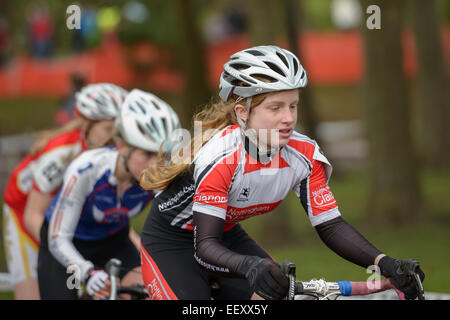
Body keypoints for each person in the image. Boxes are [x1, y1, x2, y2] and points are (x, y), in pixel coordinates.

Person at [138, 45, 425, 300]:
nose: (288, 118)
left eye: (293, 106)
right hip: (172, 241)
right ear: (242, 112)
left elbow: (331, 226)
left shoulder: (304, 155)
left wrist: (385, 263)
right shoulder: (221, 158)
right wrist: (248, 265)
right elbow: (204, 248)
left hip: (223, 236)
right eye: (275, 108)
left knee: (277, 292)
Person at [37, 89, 181, 300]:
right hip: (68, 242)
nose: (155, 165)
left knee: (150, 293)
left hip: (113, 240)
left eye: (160, 155)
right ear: (122, 146)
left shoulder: (160, 173)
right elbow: (58, 239)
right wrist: (87, 272)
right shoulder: (86, 169)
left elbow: (176, 225)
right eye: (147, 154)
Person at [3, 83, 127, 300]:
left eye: (120, 132)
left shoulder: (110, 157)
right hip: (24, 213)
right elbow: (34, 216)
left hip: (63, 215)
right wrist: (68, 258)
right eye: (109, 130)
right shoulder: (59, 154)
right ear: (88, 124)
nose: (115, 140)